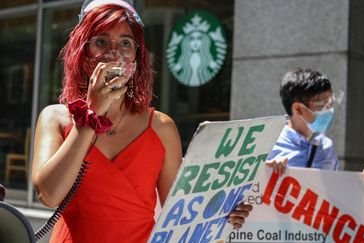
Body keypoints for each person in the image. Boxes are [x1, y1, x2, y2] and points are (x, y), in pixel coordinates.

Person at [31, 1, 251, 242]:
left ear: (136, 58)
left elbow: (178, 216)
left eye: (125, 43)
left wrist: (222, 212)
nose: (114, 53)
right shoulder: (56, 117)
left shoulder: (161, 127)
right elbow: (49, 195)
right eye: (101, 41)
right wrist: (91, 114)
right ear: (83, 56)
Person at [266, 68, 364, 180]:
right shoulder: (268, 146)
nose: (329, 111)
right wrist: (265, 174)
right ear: (298, 109)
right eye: (322, 105)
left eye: (330, 103)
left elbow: (336, 193)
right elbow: (251, 196)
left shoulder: (327, 146)